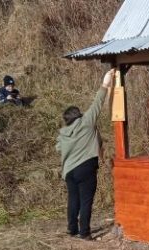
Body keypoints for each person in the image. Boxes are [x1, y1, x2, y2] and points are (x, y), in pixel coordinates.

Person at [56, 69, 114, 239]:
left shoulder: (63, 133)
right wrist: (106, 82)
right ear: (78, 115)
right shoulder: (86, 122)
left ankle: (72, 228)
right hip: (85, 169)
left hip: (69, 172)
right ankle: (85, 232)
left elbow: (58, 148)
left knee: (73, 199)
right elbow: (98, 103)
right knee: (86, 200)